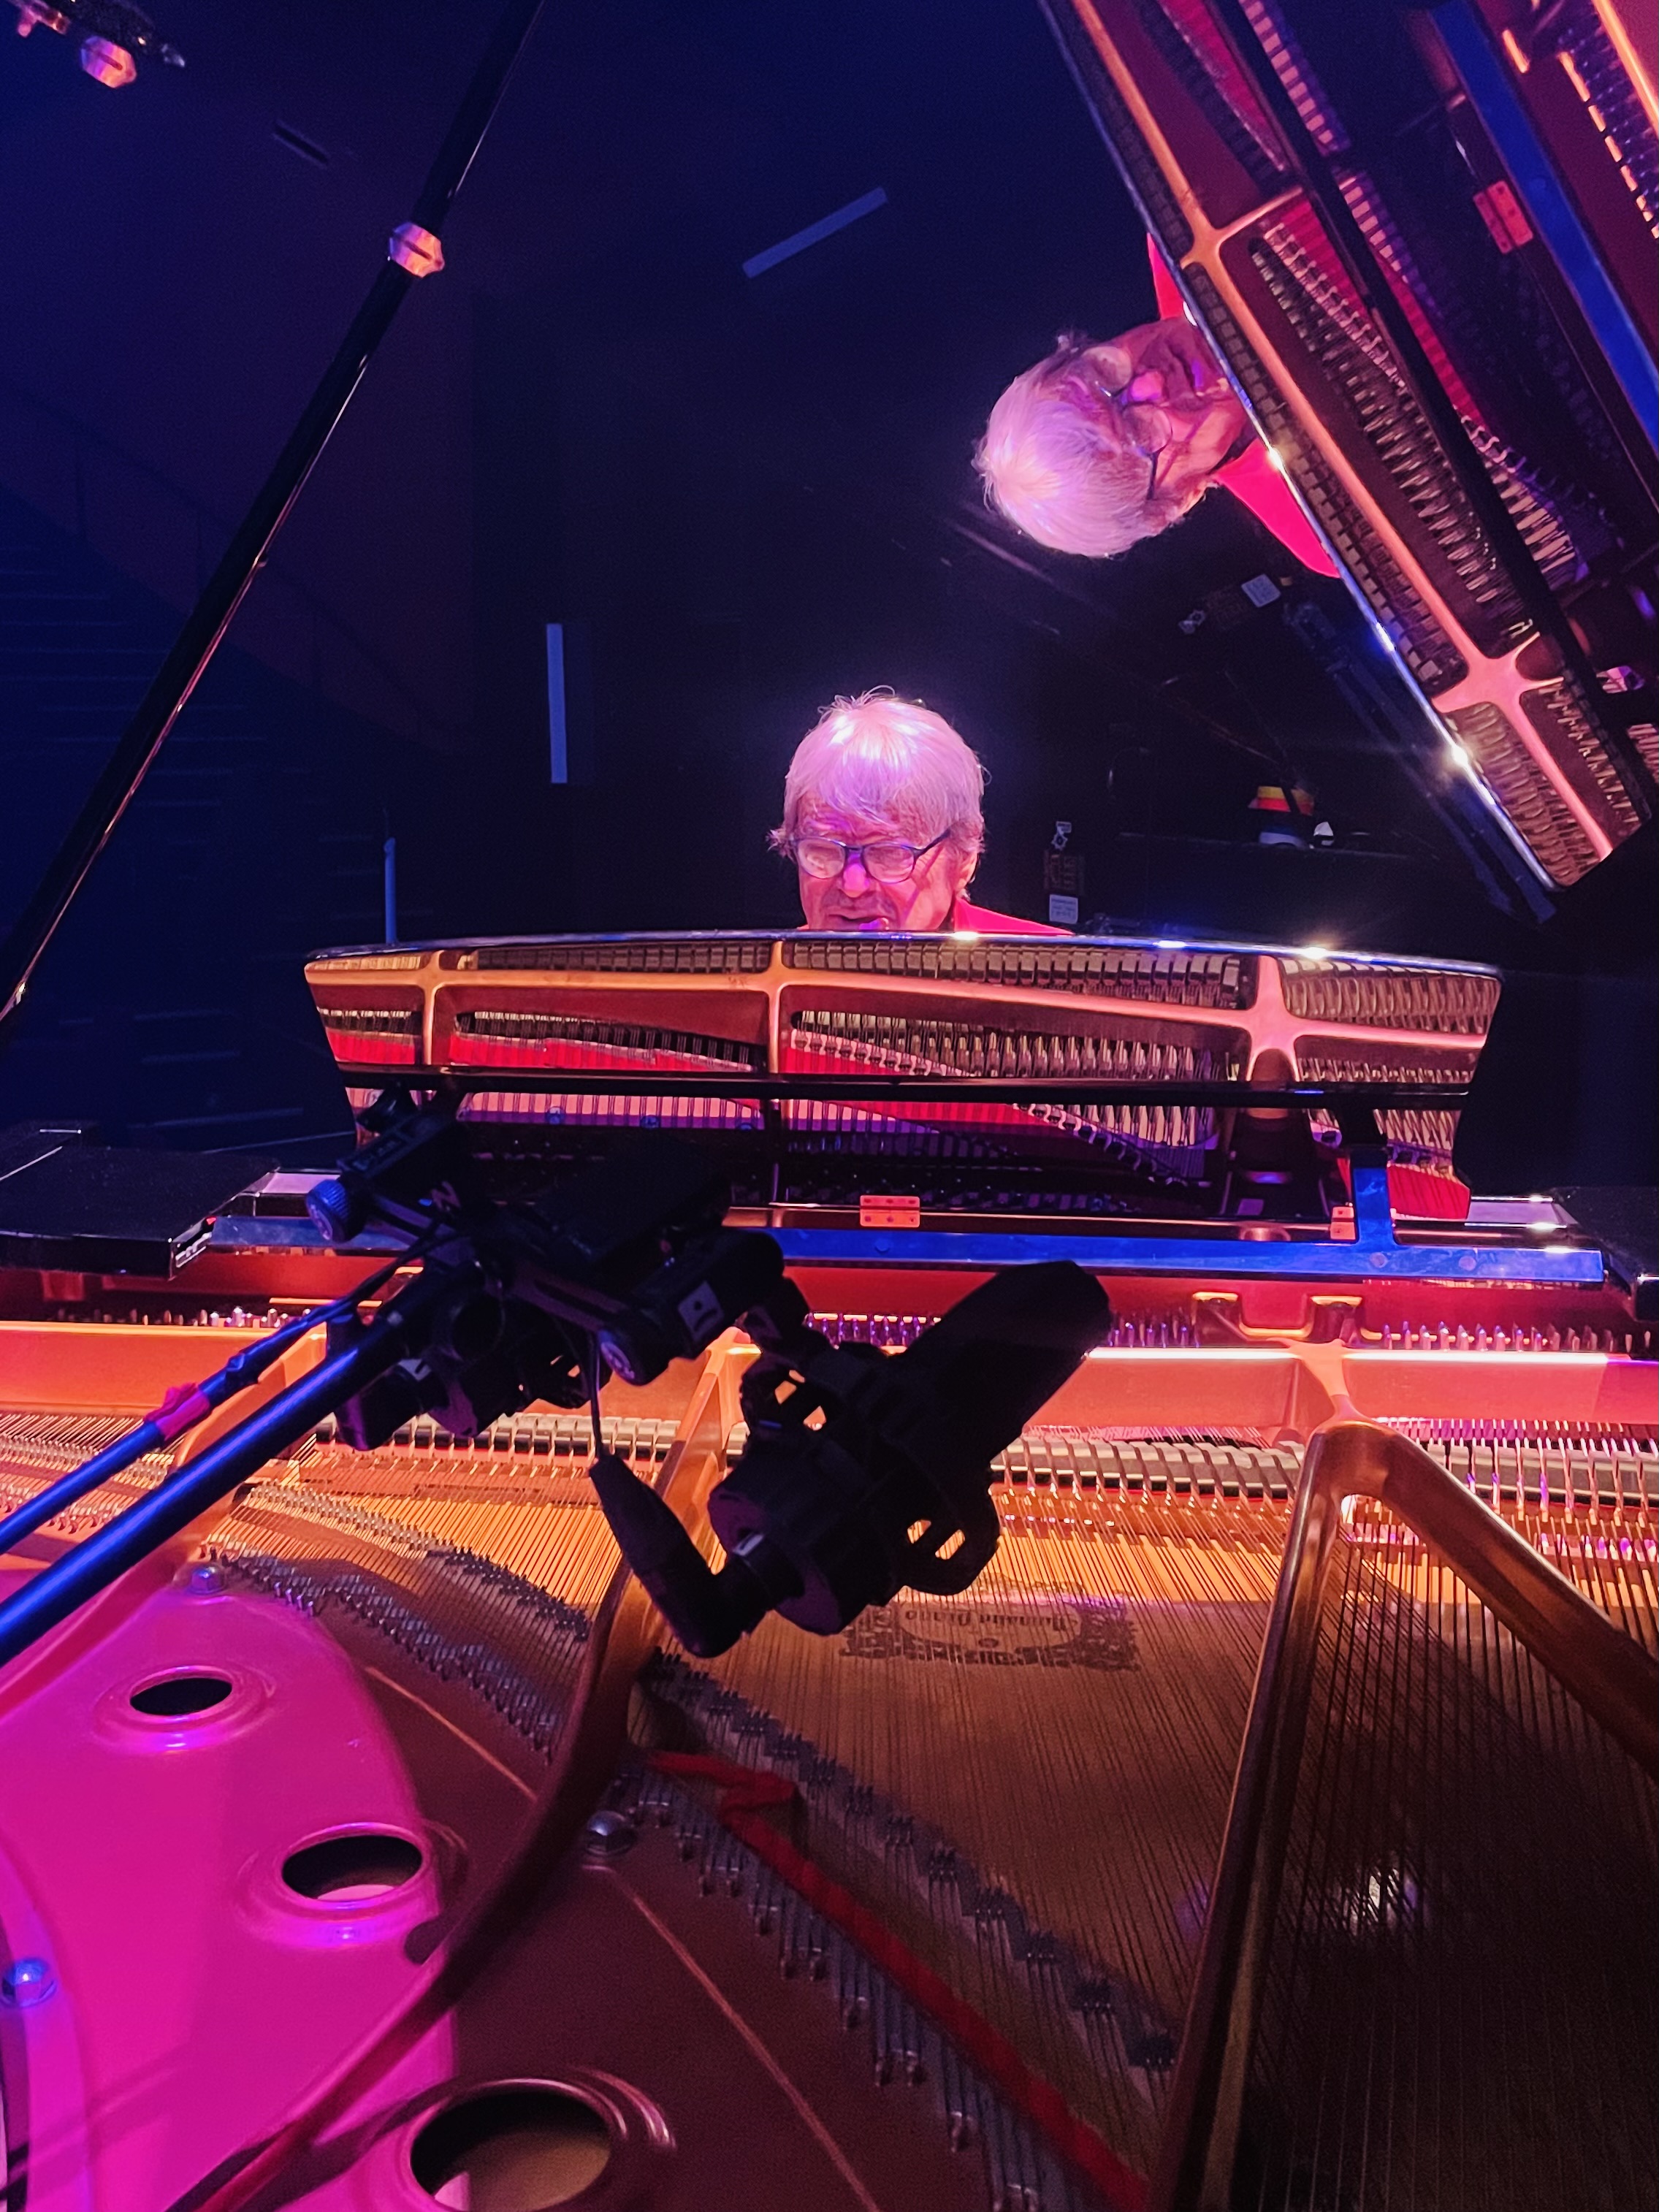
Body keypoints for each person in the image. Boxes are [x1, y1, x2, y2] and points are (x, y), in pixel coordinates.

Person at [975, 251, 1337, 575]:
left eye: (1101, 372)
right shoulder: (1323, 525)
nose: (1153, 381)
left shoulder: (1185, 235)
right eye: (1140, 431)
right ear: (1178, 501)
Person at [774, 692, 1067, 934]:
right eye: (823, 851)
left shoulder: (1053, 973)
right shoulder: (764, 974)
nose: (852, 887)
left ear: (964, 857)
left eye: (888, 854)